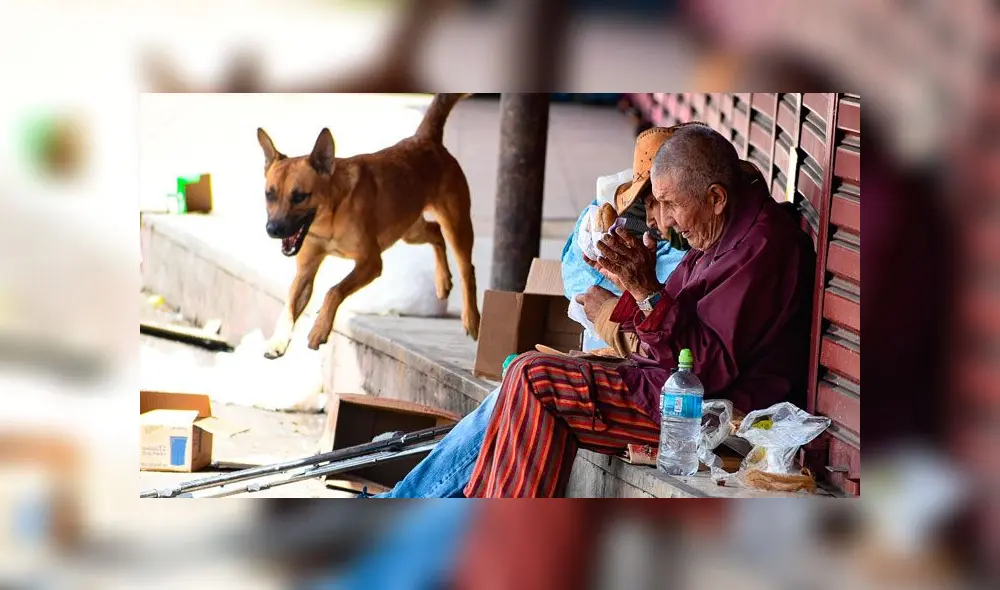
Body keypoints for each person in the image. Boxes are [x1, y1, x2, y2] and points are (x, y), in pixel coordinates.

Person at [462, 124, 815, 497]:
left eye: (670, 204)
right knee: (522, 367)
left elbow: (706, 371)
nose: (662, 221)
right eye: (657, 204)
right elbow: (670, 319)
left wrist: (644, 289)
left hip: (705, 413)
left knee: (536, 380)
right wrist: (631, 282)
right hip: (663, 383)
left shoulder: (759, 248)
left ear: (716, 198)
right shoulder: (716, 231)